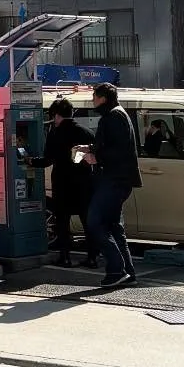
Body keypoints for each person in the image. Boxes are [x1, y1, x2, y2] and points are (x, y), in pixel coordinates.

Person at [79, 83, 142, 290]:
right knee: (114, 226)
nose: (92, 100)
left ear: (103, 98)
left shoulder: (113, 117)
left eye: (94, 97)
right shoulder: (118, 114)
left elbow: (118, 150)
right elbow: (113, 145)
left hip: (113, 179)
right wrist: (89, 147)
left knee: (95, 222)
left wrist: (95, 157)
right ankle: (127, 272)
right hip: (119, 179)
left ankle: (117, 269)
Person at [37, 100, 96, 268]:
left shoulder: (55, 133)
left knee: (63, 222)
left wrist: (31, 161)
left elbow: (47, 160)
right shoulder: (86, 132)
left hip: (63, 184)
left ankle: (65, 257)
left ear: (56, 115)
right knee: (87, 222)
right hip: (84, 183)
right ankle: (92, 258)